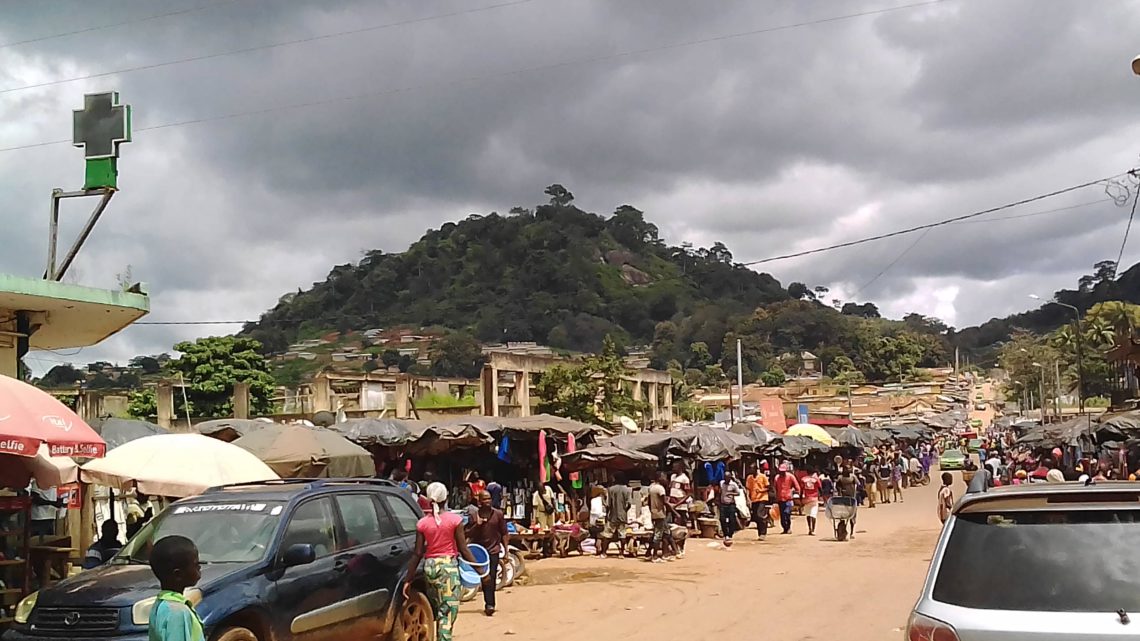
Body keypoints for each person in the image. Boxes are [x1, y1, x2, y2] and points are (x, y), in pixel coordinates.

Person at [403, 482, 478, 641]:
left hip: (430, 568)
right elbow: (464, 549)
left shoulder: (422, 523)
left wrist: (408, 579)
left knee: (437, 610)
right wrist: (481, 571)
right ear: (446, 498)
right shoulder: (455, 520)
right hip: (447, 569)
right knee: (448, 612)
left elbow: (417, 553)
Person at [147, 535, 204, 641]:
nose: (199, 567)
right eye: (196, 564)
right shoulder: (177, 612)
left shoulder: (160, 604)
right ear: (178, 575)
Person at [465, 491, 510, 616]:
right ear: (479, 502)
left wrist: (506, 551)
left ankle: (490, 604)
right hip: (479, 553)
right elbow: (467, 533)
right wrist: (478, 525)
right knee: (483, 578)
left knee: (491, 577)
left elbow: (504, 533)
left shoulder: (498, 514)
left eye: (489, 499)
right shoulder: (474, 516)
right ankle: (488, 601)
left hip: (493, 551)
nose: (487, 501)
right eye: (484, 499)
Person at [599, 475, 632, 558]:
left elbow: (608, 504)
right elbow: (629, 504)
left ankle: (603, 552)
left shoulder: (611, 489)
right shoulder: (627, 490)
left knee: (607, 535)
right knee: (622, 535)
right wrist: (624, 511)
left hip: (612, 516)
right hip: (623, 516)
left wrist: (607, 514)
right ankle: (621, 553)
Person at [647, 473, 671, 562]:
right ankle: (655, 556)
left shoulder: (651, 487)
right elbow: (665, 502)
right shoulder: (660, 488)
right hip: (660, 514)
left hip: (654, 513)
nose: (665, 479)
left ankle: (664, 554)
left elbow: (649, 501)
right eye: (664, 477)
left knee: (664, 533)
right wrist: (674, 511)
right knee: (658, 535)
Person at [745, 461, 770, 540]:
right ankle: (760, 533)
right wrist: (748, 499)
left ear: (756, 469)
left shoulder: (762, 477)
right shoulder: (749, 478)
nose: (751, 470)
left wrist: (761, 491)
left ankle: (763, 532)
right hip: (754, 499)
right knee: (756, 517)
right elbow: (748, 489)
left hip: (762, 498)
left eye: (752, 469)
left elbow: (768, 487)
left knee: (760, 515)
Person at [772, 463, 800, 535]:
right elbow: (775, 488)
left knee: (787, 513)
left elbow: (797, 487)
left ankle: (788, 527)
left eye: (783, 471)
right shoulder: (777, 478)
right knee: (782, 515)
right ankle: (785, 528)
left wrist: (794, 492)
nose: (782, 473)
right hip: (780, 499)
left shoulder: (791, 477)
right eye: (780, 471)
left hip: (788, 499)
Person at [718, 471, 741, 545]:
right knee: (722, 519)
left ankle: (730, 534)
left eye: (727, 478)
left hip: (731, 504)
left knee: (732, 519)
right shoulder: (721, 483)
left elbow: (738, 493)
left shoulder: (733, 484)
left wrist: (731, 493)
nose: (726, 479)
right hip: (723, 504)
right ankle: (725, 534)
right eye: (725, 478)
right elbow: (720, 491)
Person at [835, 465, 859, 539]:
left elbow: (858, 484)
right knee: (842, 516)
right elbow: (837, 486)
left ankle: (852, 532)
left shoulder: (853, 477)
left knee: (852, 516)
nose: (848, 470)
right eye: (846, 469)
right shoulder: (840, 478)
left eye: (849, 468)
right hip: (843, 499)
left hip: (852, 498)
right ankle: (842, 530)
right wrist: (840, 490)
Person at [800, 468, 821, 536]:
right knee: (813, 515)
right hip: (814, 498)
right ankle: (813, 530)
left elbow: (801, 489)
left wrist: (800, 498)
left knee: (808, 514)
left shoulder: (803, 479)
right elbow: (820, 488)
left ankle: (809, 528)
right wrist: (820, 496)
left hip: (806, 499)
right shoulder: (816, 479)